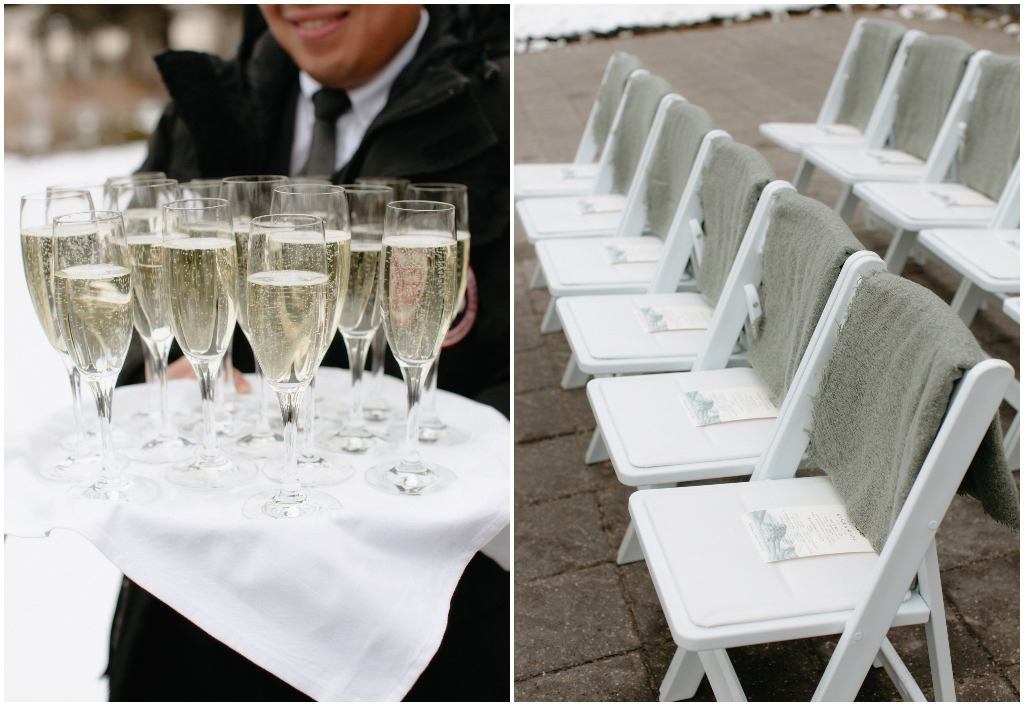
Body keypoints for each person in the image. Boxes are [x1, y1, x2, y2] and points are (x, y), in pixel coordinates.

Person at [108, 5, 509, 701]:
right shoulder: (203, 110)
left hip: (410, 648)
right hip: (197, 624)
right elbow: (123, 322)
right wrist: (163, 375)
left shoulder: (501, 115)